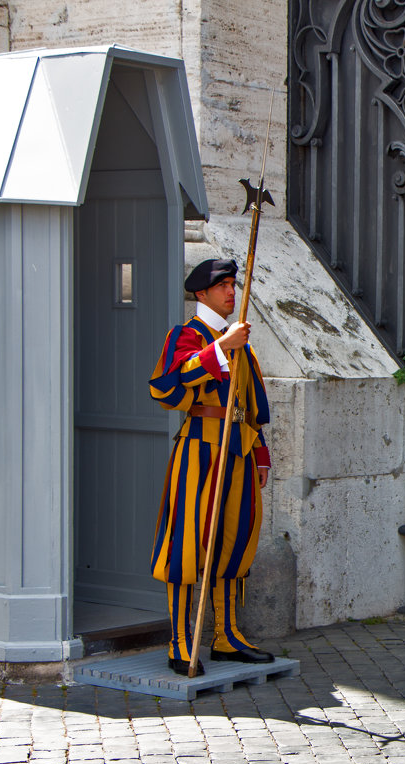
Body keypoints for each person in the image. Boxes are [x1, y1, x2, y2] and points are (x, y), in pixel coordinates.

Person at [148, 258, 275, 676]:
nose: (231, 292)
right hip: (200, 449)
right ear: (201, 293)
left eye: (233, 285)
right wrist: (221, 348)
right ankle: (181, 642)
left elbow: (251, 407)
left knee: (234, 542)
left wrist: (260, 454)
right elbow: (166, 385)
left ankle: (226, 636)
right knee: (187, 544)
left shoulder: (240, 342)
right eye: (222, 286)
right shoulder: (188, 336)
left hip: (238, 448)